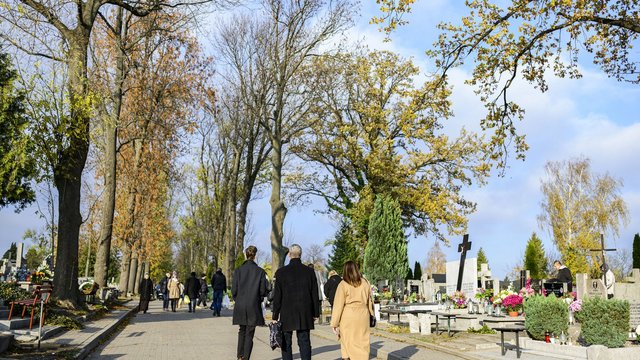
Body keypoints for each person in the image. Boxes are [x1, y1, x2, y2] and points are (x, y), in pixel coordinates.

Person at [272, 244, 319, 360]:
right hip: (304, 310)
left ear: (289, 255)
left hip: (287, 311)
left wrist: (275, 315)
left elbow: (278, 296)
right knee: (304, 341)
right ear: (301, 255)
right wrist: (315, 313)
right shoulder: (309, 272)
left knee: (286, 341)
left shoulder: (281, 272)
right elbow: (314, 293)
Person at [330, 261, 374, 360]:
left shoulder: (343, 284)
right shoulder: (365, 282)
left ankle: (347, 358)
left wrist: (334, 323)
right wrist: (371, 314)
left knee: (347, 341)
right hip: (363, 314)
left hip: (348, 315)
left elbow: (338, 305)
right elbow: (369, 300)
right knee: (362, 341)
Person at [232, 246, 268, 360]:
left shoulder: (238, 271)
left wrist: (237, 299)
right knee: (250, 332)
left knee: (242, 330)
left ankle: (240, 356)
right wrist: (260, 298)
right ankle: (246, 357)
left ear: (245, 255)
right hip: (253, 303)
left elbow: (234, 290)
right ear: (255, 256)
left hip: (241, 304)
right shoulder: (260, 272)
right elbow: (263, 290)